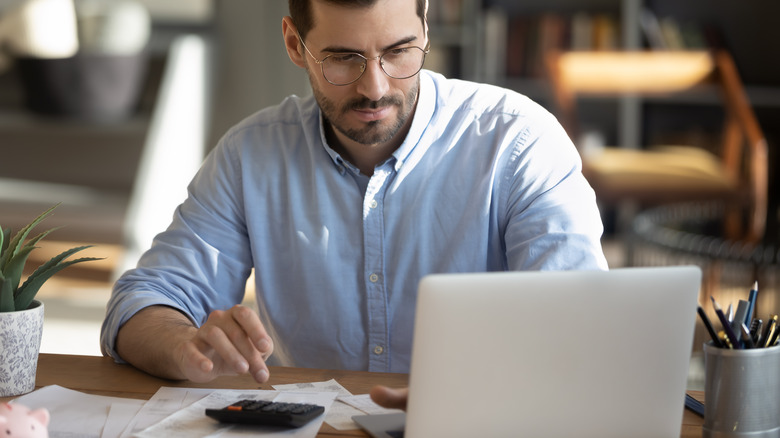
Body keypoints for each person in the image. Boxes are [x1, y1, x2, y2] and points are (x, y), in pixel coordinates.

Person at [100, 0, 608, 405]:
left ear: (426, 28)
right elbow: (139, 305)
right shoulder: (249, 155)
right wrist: (183, 346)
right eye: (344, 57)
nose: (375, 86)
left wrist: (476, 397)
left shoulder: (518, 142)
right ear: (295, 45)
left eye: (399, 51)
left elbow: (581, 326)